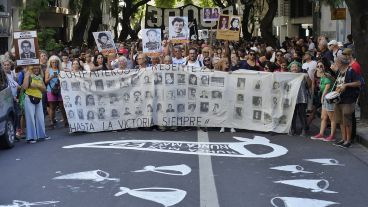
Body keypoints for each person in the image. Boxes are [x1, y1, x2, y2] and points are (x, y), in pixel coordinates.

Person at [331, 55, 361, 148]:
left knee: (347, 120)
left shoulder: (351, 71)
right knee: (340, 120)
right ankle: (343, 139)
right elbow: (337, 83)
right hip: (339, 99)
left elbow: (359, 83)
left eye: (336, 62)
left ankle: (348, 140)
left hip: (348, 99)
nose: (335, 64)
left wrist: (346, 85)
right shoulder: (339, 72)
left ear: (341, 62)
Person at [22, 65, 48, 143]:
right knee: (30, 118)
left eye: (37, 68)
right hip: (29, 98)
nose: (36, 70)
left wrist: (37, 85)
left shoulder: (40, 77)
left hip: (38, 98)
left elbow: (44, 90)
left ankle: (41, 135)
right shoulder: (28, 75)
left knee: (40, 117)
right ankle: (31, 138)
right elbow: (25, 87)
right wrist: (26, 76)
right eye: (34, 68)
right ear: (31, 69)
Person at [311, 61, 336, 141]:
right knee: (323, 117)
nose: (319, 67)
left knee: (332, 118)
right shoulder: (322, 76)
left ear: (324, 67)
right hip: (326, 98)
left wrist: (322, 97)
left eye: (321, 66)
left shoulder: (326, 75)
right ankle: (321, 134)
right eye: (318, 66)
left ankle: (332, 136)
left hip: (329, 98)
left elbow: (327, 87)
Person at [45, 55, 67, 128]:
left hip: (60, 90)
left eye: (55, 62)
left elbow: (65, 80)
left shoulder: (61, 70)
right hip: (50, 90)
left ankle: (65, 121)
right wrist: (51, 77)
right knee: (52, 107)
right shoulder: (48, 70)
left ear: (58, 63)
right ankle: (52, 122)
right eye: (53, 62)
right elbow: (46, 81)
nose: (54, 64)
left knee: (62, 106)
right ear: (50, 63)